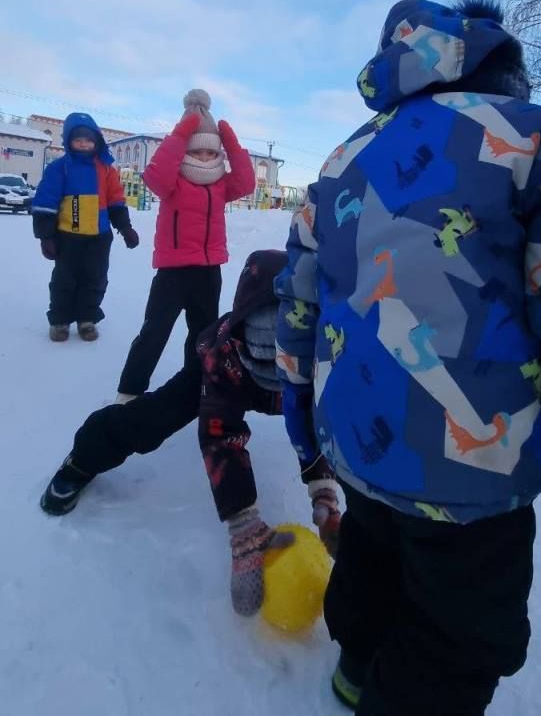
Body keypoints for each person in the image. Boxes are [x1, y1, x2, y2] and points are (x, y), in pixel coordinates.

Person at [274, 0, 541, 714]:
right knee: (459, 633)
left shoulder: (341, 158)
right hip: (471, 465)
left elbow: (298, 303)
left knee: (372, 552)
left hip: (352, 433)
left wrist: (301, 424)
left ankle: (354, 667)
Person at [39, 250, 340, 617]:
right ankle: (82, 459)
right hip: (225, 375)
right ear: (242, 333)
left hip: (294, 387)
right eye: (262, 359)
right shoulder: (224, 357)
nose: (274, 372)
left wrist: (323, 492)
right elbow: (220, 434)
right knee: (156, 417)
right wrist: (243, 524)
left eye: (287, 362)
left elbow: (318, 426)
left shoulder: (321, 361)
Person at [115, 90, 255, 403]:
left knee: (204, 336)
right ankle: (129, 391)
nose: (205, 158)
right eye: (198, 152)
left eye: (210, 153)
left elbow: (246, 182)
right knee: (155, 331)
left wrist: (230, 141)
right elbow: (155, 176)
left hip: (208, 272)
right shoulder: (173, 182)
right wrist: (181, 133)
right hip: (173, 272)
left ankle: (196, 386)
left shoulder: (220, 186)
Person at [32, 112, 139, 342]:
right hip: (67, 237)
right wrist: (46, 236)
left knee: (95, 279)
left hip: (99, 237)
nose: (84, 143)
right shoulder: (60, 168)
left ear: (97, 141)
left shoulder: (107, 170)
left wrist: (126, 228)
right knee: (64, 280)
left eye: (89, 139)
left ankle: (86, 319)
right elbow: (46, 201)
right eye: (78, 139)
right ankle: (60, 320)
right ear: (68, 141)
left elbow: (116, 202)